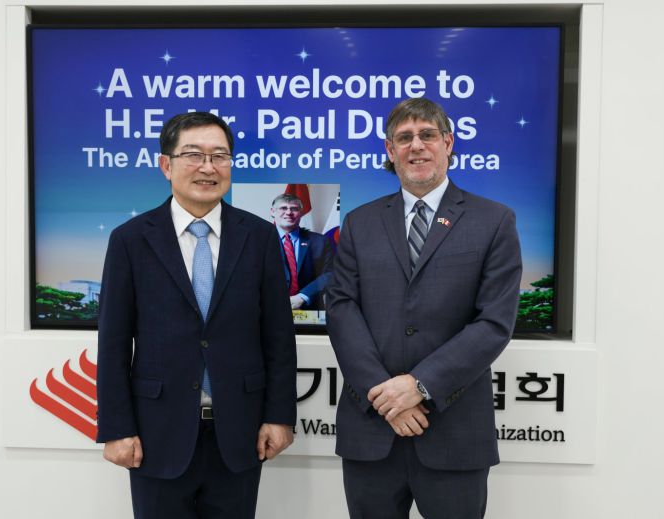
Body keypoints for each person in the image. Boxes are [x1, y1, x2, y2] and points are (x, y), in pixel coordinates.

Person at [326, 98, 522, 519]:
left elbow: (493, 322)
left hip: (453, 431)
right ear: (390, 150)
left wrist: (419, 385)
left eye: (427, 135)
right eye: (404, 138)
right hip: (372, 427)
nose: (416, 146)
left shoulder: (494, 221)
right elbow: (341, 309)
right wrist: (385, 395)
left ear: (447, 143)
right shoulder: (359, 222)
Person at [96, 112, 297, 519]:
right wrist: (116, 428)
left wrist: (279, 417)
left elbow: (278, 336)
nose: (208, 167)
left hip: (239, 433)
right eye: (193, 155)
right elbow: (113, 342)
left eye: (219, 156)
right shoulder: (130, 241)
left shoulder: (259, 237)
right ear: (166, 165)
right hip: (156, 433)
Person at [270, 193, 334, 311]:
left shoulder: (321, 241)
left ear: (301, 213)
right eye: (283, 208)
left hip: (310, 309)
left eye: (294, 209)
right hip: (269, 308)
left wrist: (303, 297)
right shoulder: (259, 240)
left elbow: (331, 273)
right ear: (272, 212)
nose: (288, 212)